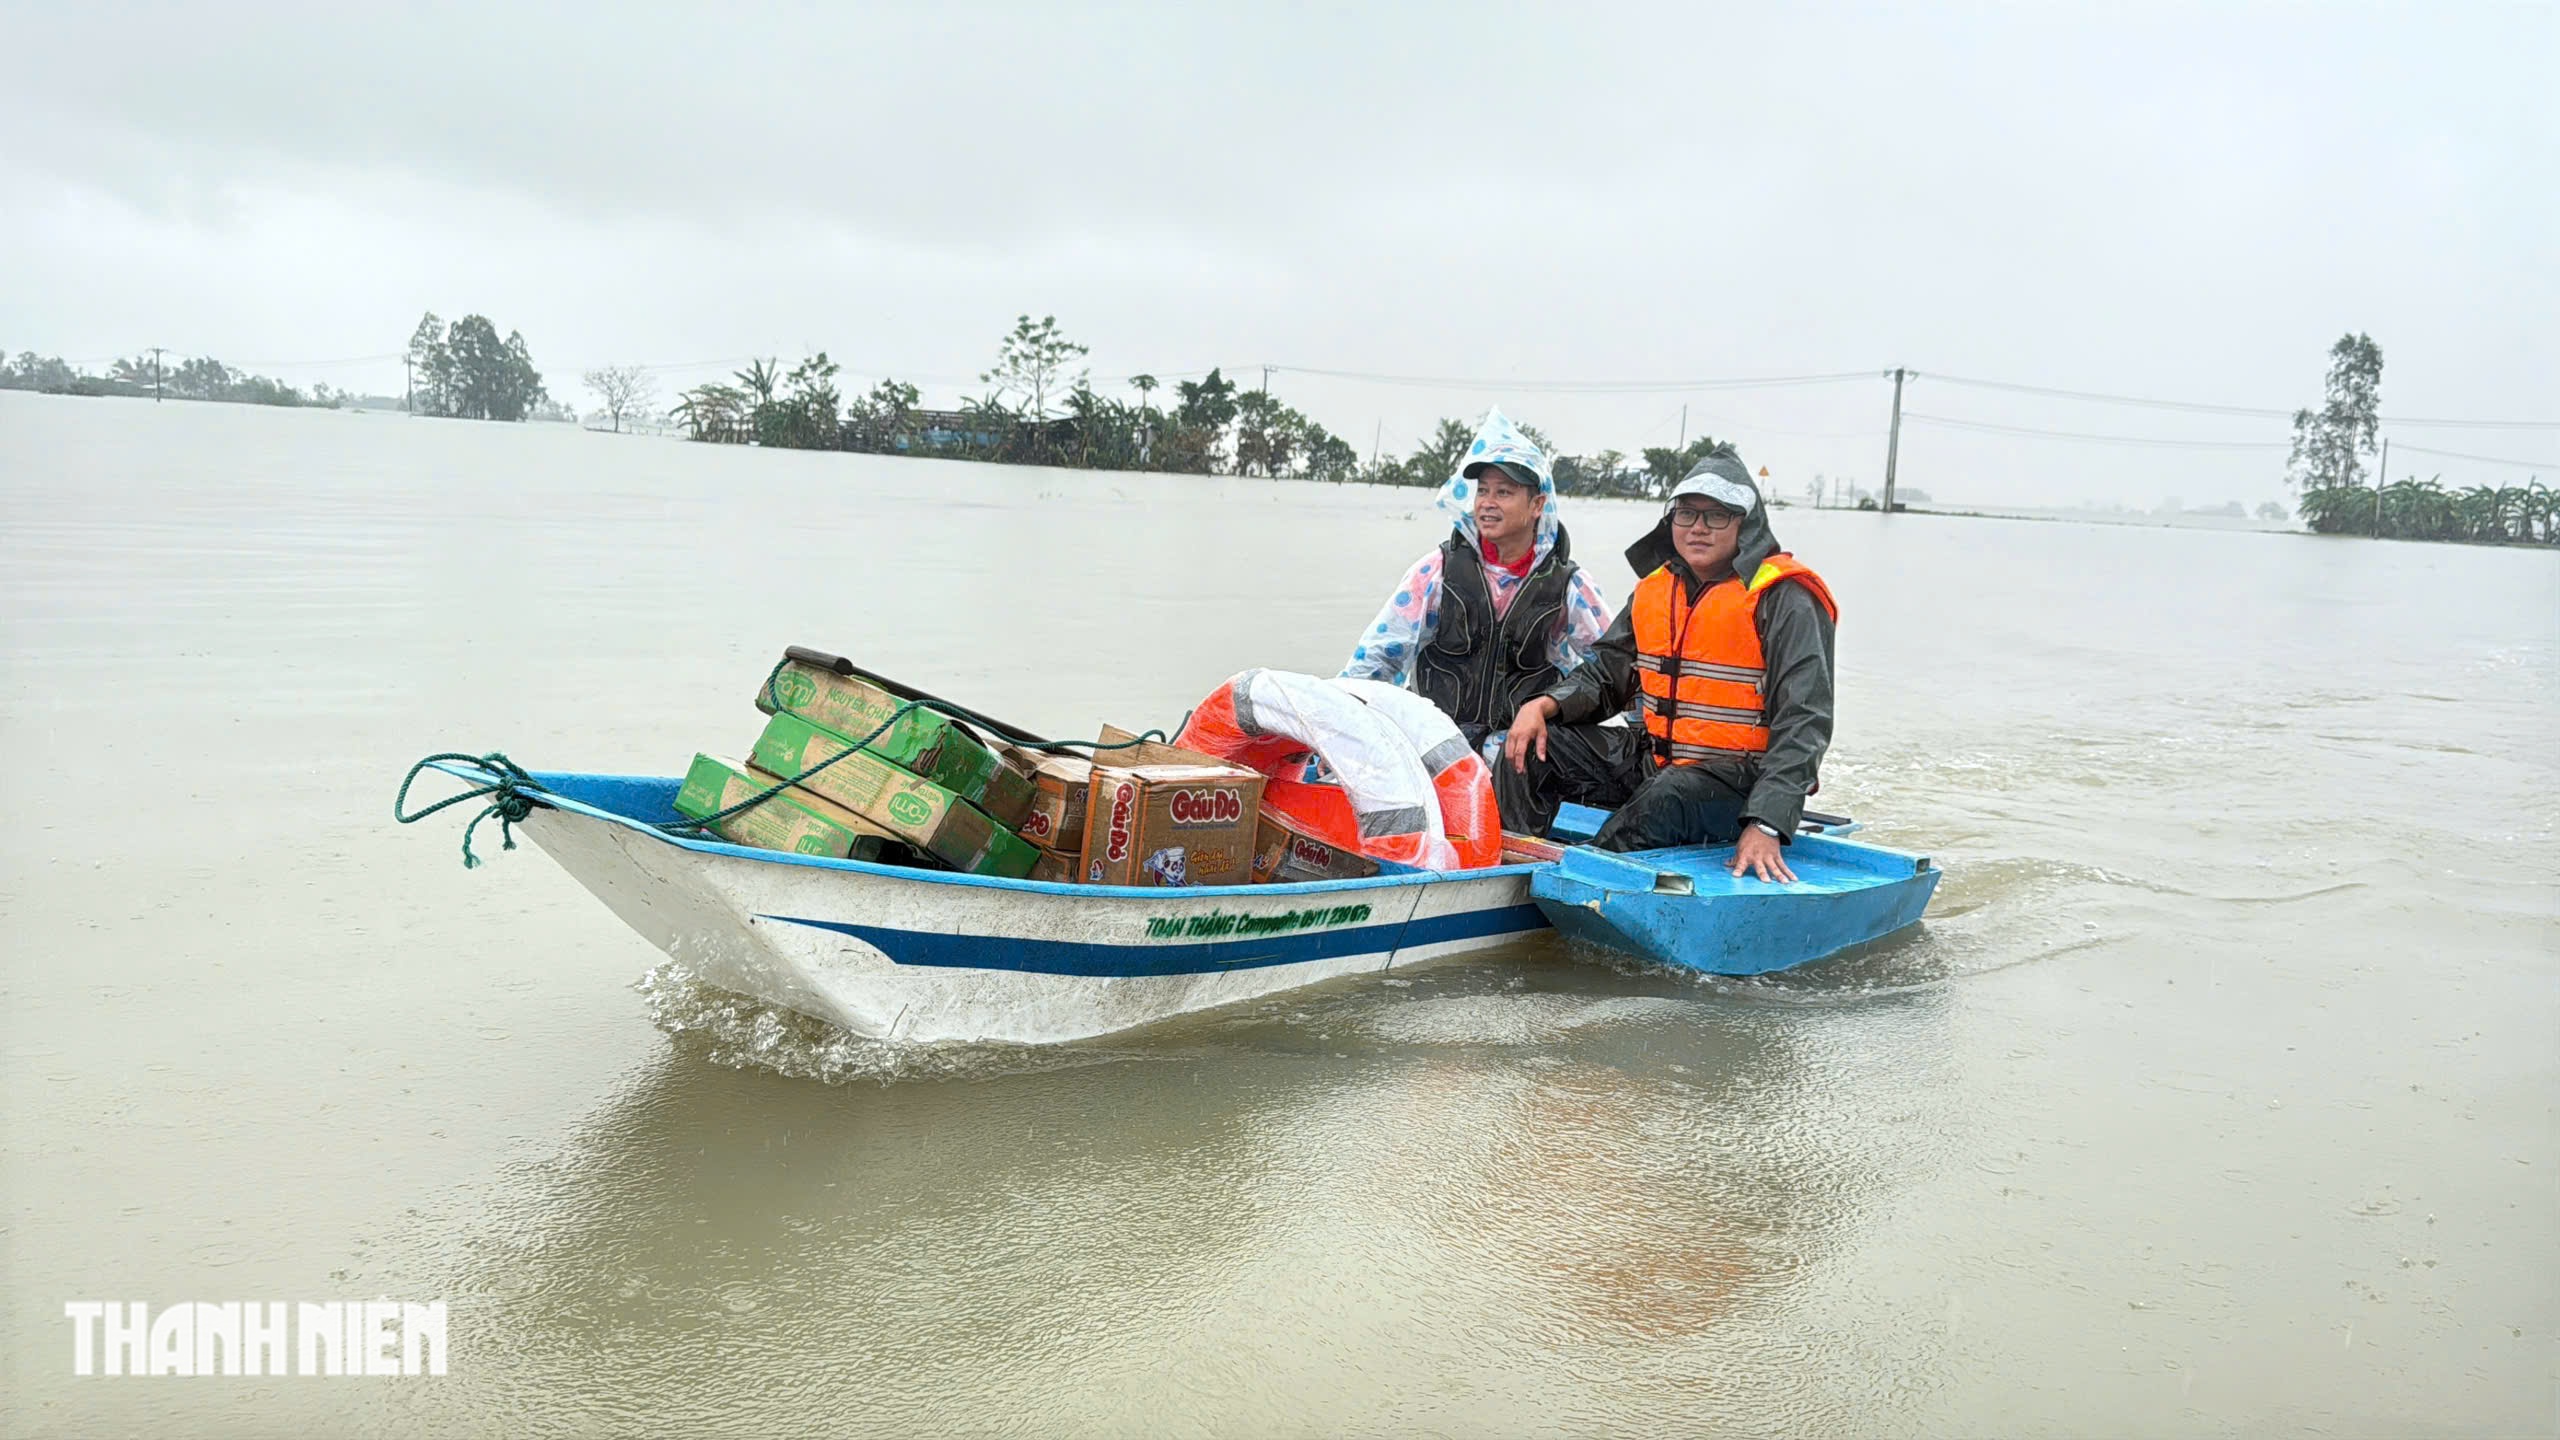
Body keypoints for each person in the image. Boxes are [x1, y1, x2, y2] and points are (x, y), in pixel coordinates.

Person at [1504, 454, 1837, 881]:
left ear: (1745, 525)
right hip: (1656, 762)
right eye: (1686, 513)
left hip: (1739, 784)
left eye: (1716, 516)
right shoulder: (1656, 589)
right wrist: (1543, 705)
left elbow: (1805, 721)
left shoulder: (1785, 597)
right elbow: (1607, 672)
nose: (1697, 527)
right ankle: (1510, 871)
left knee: (1670, 794)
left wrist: (1766, 823)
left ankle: (1582, 878)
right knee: (1531, 746)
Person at [1339, 408, 1647, 836]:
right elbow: (1378, 656)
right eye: (1482, 490)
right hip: (1433, 742)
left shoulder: (1569, 586)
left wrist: (1658, 741)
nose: (1487, 502)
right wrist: (1338, 726)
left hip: (1514, 756)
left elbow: (1617, 671)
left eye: (1504, 492)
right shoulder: (1436, 571)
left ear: (1537, 505)